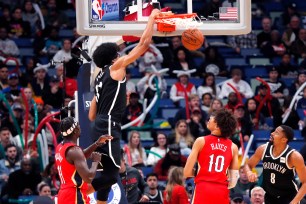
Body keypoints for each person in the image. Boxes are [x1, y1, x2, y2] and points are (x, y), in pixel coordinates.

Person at [87, 9, 168, 203]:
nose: (121, 55)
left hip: (100, 124)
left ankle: (99, 202)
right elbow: (144, 44)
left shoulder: (99, 77)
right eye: (118, 53)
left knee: (108, 172)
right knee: (115, 171)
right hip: (107, 124)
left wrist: (119, 100)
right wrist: (152, 17)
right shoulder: (116, 67)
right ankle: (79, 191)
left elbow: (91, 115)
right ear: (114, 58)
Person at [183, 109, 239, 203]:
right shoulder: (233, 147)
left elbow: (186, 172)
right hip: (221, 191)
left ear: (217, 126)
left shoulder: (201, 141)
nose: (210, 119)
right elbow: (233, 181)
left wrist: (200, 173)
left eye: (213, 118)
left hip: (203, 188)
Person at [55, 117, 112, 204]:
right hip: (74, 196)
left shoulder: (60, 147)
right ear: (75, 130)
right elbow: (88, 178)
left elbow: (80, 156)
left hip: (63, 194)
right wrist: (95, 161)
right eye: (78, 125)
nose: (80, 127)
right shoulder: (74, 151)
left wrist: (96, 143)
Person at [244, 125, 306, 204]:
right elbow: (247, 165)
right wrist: (249, 172)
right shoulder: (263, 149)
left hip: (288, 197)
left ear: (284, 139)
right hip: (270, 196)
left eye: (276, 133)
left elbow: (305, 183)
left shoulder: (294, 156)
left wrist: (294, 202)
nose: (272, 133)